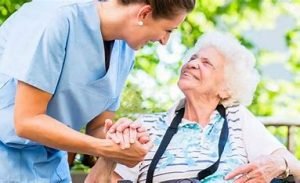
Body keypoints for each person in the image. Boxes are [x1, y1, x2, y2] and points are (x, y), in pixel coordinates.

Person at [0, 0, 196, 182]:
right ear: (144, 14)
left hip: (49, 166)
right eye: (168, 30)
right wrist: (107, 149)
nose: (164, 41)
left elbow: (98, 126)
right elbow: (27, 121)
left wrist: (122, 137)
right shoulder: (55, 18)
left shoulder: (124, 51)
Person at [96, 31, 300, 183]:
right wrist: (110, 155)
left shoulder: (237, 118)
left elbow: (295, 168)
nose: (192, 64)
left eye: (206, 63)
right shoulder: (146, 127)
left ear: (226, 89)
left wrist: (278, 164)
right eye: (193, 58)